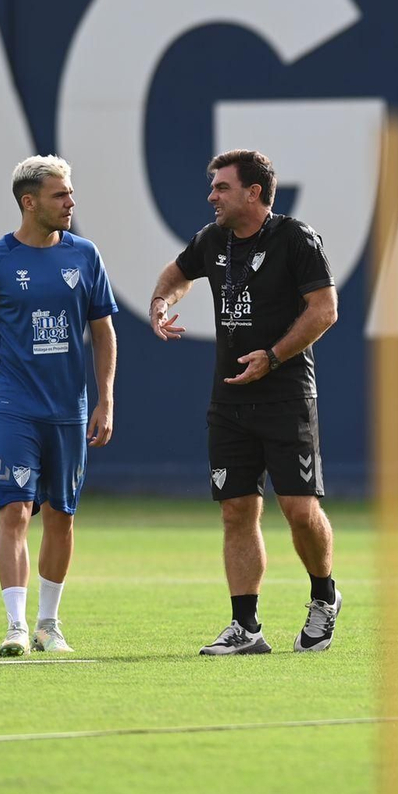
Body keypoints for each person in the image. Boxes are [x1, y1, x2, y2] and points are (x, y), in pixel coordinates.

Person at [150, 149, 341, 655]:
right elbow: (176, 273)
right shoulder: (211, 241)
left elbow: (325, 311)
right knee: (236, 512)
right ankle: (246, 628)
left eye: (221, 188)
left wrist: (274, 357)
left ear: (253, 193)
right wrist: (161, 304)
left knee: (299, 510)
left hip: (285, 395)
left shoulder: (295, 238)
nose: (211, 196)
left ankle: (324, 596)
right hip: (229, 401)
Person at [0, 155, 118, 657]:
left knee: (62, 516)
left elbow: (103, 332)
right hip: (12, 407)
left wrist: (105, 398)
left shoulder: (85, 256)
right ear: (29, 202)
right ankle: (15, 627)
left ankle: (49, 624)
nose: (70, 202)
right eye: (60, 195)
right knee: (15, 511)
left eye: (69, 193)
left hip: (69, 410)